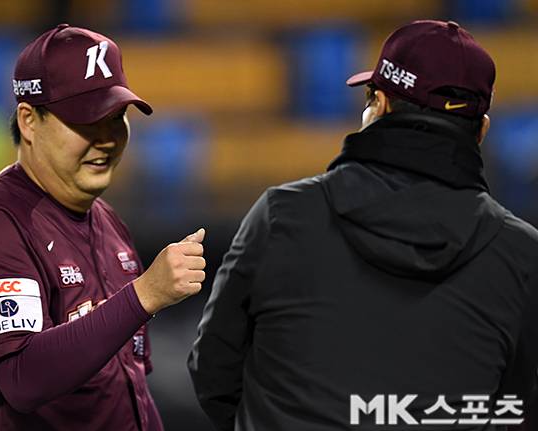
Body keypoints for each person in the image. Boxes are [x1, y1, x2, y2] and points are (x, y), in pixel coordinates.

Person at [188, 20, 538, 430]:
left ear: (380, 104)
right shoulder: (522, 254)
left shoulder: (283, 214)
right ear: (481, 131)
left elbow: (214, 373)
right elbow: (520, 408)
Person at [0, 24, 207, 431]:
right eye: (86, 121)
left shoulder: (107, 222)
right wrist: (144, 296)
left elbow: (127, 388)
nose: (106, 139)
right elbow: (22, 378)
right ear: (29, 121)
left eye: (116, 117)